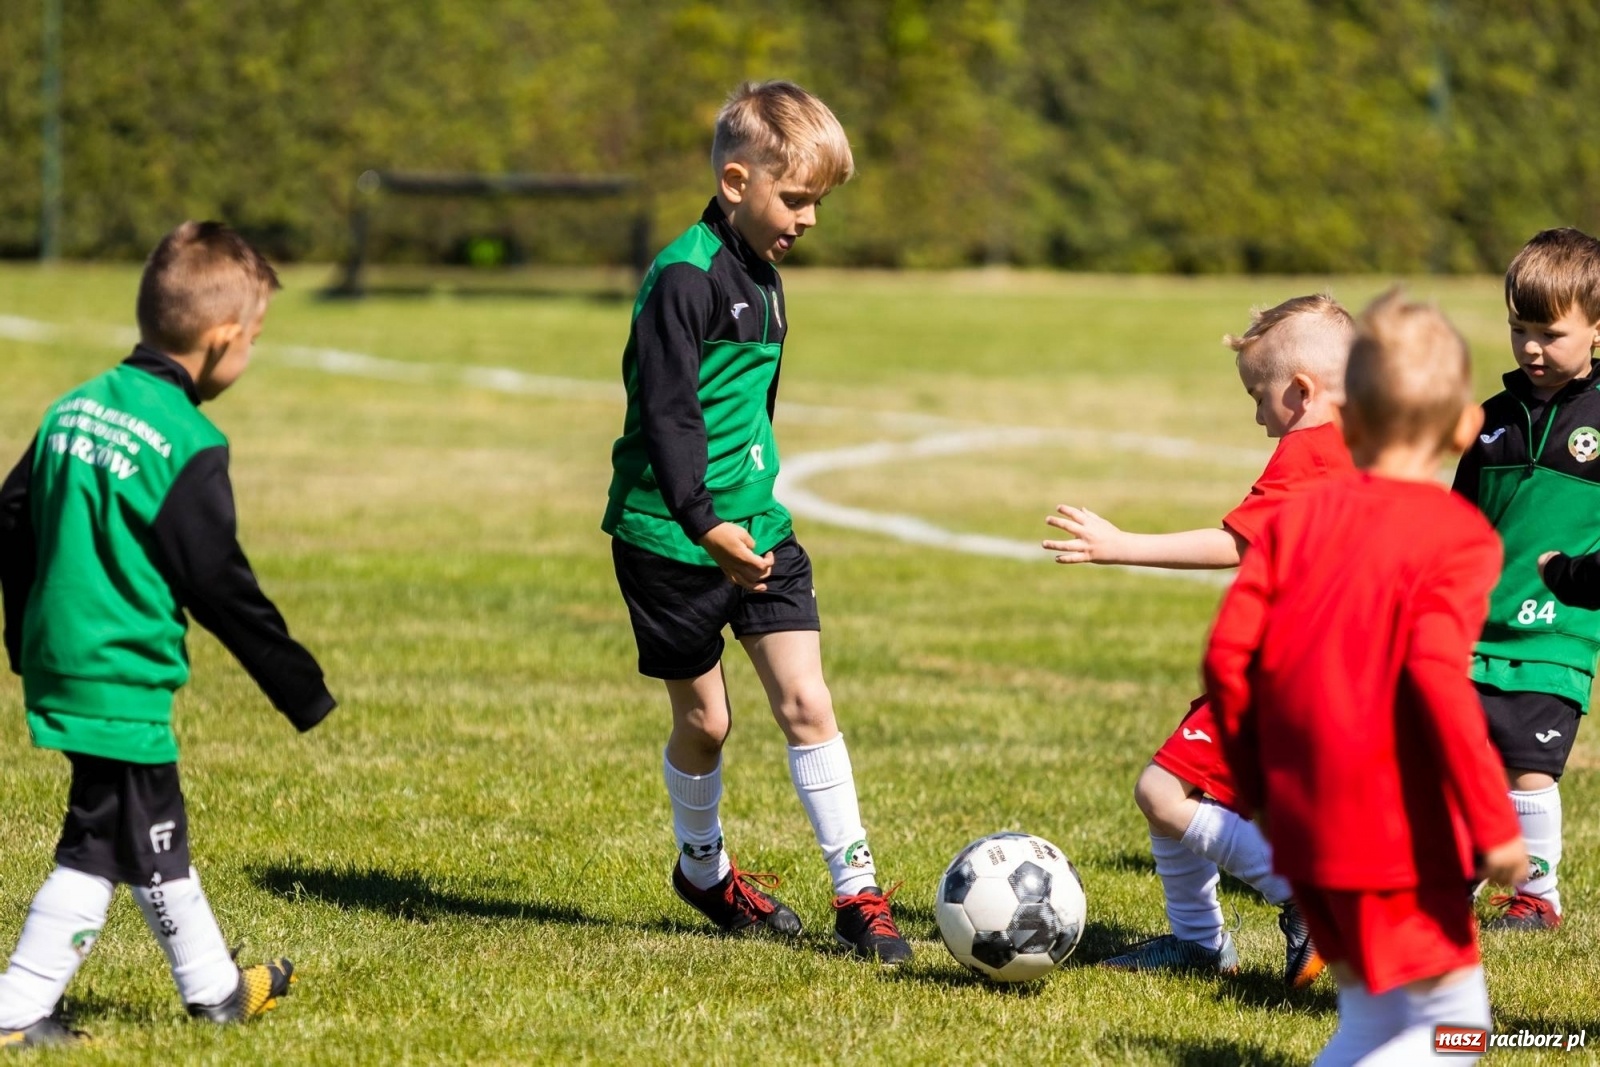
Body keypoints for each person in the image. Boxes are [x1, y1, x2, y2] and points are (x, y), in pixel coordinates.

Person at [0, 221, 335, 1047]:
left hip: (64, 658)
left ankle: (215, 988)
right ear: (221, 338)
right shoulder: (189, 444)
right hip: (122, 675)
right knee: (109, 841)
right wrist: (297, 684)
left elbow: (10, 518)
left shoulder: (74, 407)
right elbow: (220, 583)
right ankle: (17, 1007)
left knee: (139, 831)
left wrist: (21, 634)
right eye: (254, 337)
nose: (251, 351)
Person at [601, 81, 910, 963]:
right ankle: (704, 869)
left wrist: (748, 507)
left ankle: (857, 893)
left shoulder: (766, 278)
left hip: (759, 529)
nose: (808, 219)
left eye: (819, 203)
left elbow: (752, 409)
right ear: (736, 182)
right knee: (707, 724)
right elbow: (667, 415)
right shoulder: (684, 279)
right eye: (797, 198)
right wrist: (704, 524)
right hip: (672, 538)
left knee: (807, 701)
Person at [1206, 290, 1524, 1065]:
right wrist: (1492, 823)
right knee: (1458, 1030)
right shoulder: (1458, 535)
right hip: (1398, 835)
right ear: (1464, 428)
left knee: (1373, 1022)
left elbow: (1226, 658)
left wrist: (1261, 790)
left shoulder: (1294, 517)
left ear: (1348, 416)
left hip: (1305, 830)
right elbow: (1436, 678)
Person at [1044, 294, 1353, 985]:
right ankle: (1198, 942)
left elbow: (1240, 543)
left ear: (1302, 392)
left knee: (1161, 792)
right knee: (1181, 789)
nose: (1258, 415)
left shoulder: (1308, 451)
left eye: (1259, 397)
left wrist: (1122, 545)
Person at [1452, 226, 1600, 931]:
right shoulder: (1491, 421)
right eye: (1519, 330)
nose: (1532, 348)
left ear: (1597, 329)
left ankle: (1537, 895)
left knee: (1527, 765)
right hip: (1476, 630)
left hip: (1557, 633)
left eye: (1551, 333)